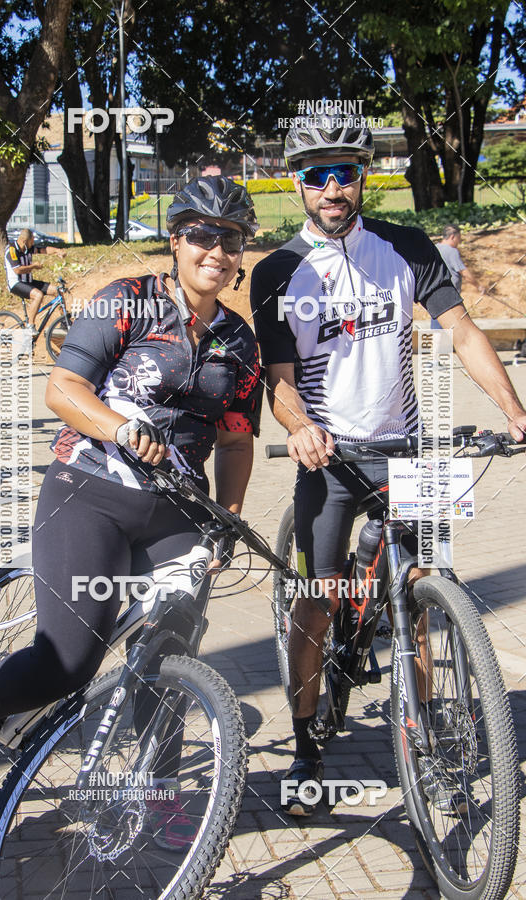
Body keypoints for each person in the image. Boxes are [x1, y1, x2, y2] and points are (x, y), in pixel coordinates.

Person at [0, 176, 262, 849]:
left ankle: (156, 787)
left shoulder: (239, 341)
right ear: (176, 240)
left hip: (177, 515)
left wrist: (227, 515)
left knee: (169, 644)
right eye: (201, 233)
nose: (215, 250)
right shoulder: (129, 303)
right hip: (90, 492)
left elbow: (235, 438)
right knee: (69, 662)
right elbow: (63, 387)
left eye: (230, 238)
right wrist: (114, 427)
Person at [250, 117, 526, 817]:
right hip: (331, 459)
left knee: (424, 591)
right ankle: (308, 744)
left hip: (407, 448)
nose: (333, 186)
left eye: (344, 171)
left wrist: (516, 411)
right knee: (314, 600)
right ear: (298, 183)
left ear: (363, 176)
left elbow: (459, 329)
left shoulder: (404, 247)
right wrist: (301, 427)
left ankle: (427, 739)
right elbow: (277, 377)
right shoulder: (278, 270)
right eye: (317, 175)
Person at [4, 227, 66, 326]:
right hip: (16, 283)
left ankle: (64, 321)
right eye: (31, 242)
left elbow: (44, 250)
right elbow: (18, 270)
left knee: (58, 290)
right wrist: (34, 266)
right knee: (38, 295)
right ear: (24, 241)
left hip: (28, 281)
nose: (33, 244)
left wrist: (57, 251)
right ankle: (30, 325)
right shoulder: (11, 250)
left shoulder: (27, 247)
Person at [430, 224, 489, 328]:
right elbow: (464, 273)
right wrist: (479, 286)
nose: (459, 242)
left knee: (436, 333)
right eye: (459, 238)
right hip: (449, 301)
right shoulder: (452, 251)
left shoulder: (434, 248)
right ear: (453, 236)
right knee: (453, 333)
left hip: (434, 299)